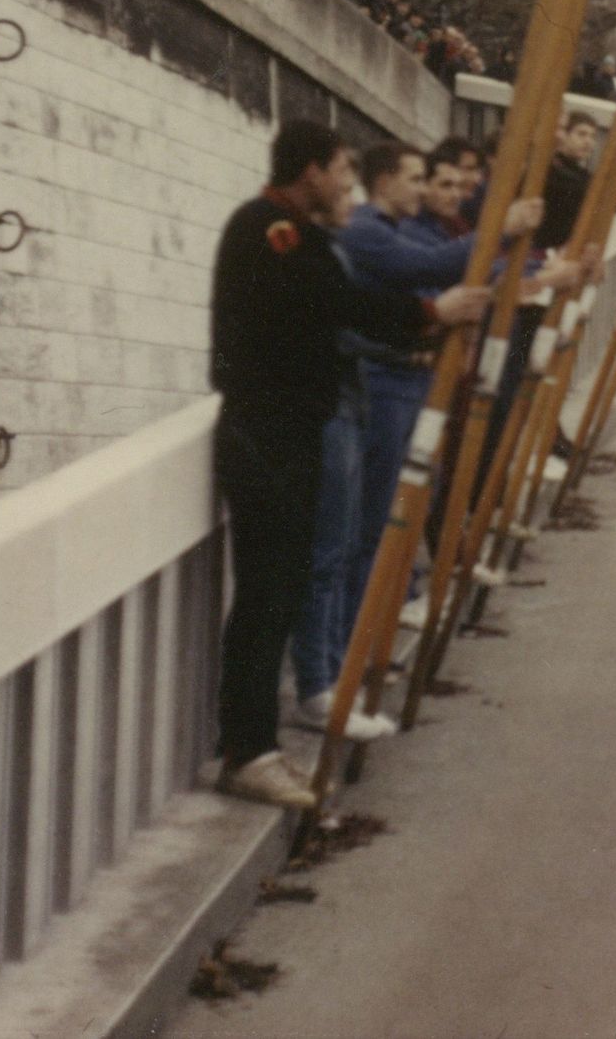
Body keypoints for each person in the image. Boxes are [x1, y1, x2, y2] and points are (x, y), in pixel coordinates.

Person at [206, 122, 490, 809]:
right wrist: (430, 312)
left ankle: (255, 746)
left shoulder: (294, 231)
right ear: (311, 172)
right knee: (267, 599)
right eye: (341, 172)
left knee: (277, 593)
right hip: (268, 437)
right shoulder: (274, 231)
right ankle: (248, 752)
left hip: (285, 435)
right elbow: (336, 305)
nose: (348, 187)